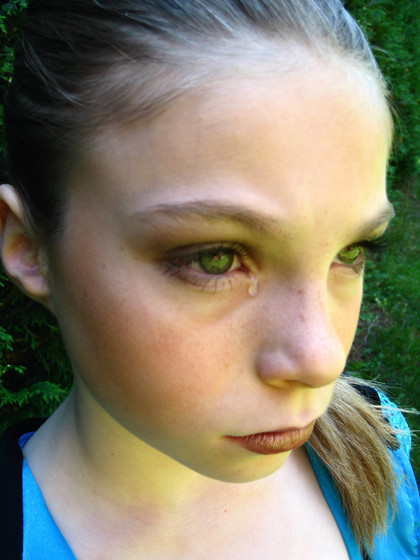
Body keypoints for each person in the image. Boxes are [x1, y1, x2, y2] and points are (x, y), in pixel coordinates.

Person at [0, 0, 418, 558]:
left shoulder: (378, 445)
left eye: (350, 251)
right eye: (215, 260)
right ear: (30, 248)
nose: (321, 361)